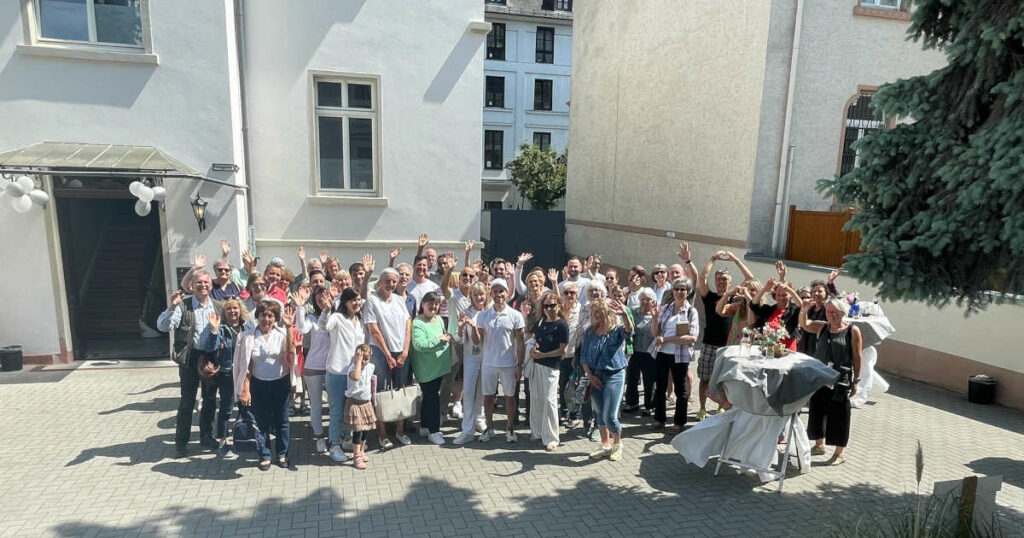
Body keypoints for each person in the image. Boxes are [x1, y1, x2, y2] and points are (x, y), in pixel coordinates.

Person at [157, 271, 221, 458]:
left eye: (206, 282)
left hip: (210, 357)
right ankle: (181, 443)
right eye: (199, 282)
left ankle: (206, 436)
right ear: (192, 285)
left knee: (210, 400)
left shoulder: (217, 306)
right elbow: (163, 326)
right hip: (190, 358)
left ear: (211, 285)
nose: (203, 285)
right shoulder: (183, 306)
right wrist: (170, 307)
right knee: (187, 401)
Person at [232, 300, 297, 470]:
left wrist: (290, 328)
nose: (266, 319)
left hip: (280, 382)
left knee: (282, 421)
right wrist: (244, 390)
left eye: (270, 316)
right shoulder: (246, 337)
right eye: (263, 315)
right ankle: (265, 454)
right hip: (258, 384)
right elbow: (243, 366)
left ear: (275, 318)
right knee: (261, 422)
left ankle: (282, 454)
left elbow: (291, 352)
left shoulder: (282, 333)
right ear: (257, 316)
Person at [799, 296, 862, 465]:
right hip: (821, 378)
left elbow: (857, 356)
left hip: (841, 379)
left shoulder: (852, 331)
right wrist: (804, 309)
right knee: (817, 412)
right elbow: (804, 324)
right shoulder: (822, 327)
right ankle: (819, 445)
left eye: (834, 312)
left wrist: (856, 380)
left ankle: (839, 453)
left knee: (839, 415)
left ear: (842, 312)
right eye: (828, 311)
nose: (830, 315)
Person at [695, 250, 756, 421]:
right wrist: (713, 258)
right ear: (715, 281)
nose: (721, 282)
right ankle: (702, 408)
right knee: (705, 378)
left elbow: (750, 279)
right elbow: (702, 277)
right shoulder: (709, 296)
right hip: (708, 343)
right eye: (719, 279)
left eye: (725, 279)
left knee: (723, 379)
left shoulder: (736, 297)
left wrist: (735, 260)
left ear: (730, 282)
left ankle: (721, 407)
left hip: (728, 346)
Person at [468, 278, 526, 443]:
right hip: (488, 364)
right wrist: (473, 328)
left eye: (502, 291)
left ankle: (510, 429)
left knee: (510, 397)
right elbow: (478, 341)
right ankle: (489, 428)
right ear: (491, 293)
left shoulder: (516, 315)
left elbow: (520, 343)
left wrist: (519, 365)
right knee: (488, 397)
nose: (499, 294)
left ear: (507, 293)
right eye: (495, 291)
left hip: (509, 364)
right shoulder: (483, 316)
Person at [362, 268, 413, 449]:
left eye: (394, 281)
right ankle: (382, 434)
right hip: (380, 351)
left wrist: (405, 351)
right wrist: (388, 355)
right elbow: (374, 331)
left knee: (400, 390)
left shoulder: (400, 300)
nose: (391, 285)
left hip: (400, 351)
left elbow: (408, 326)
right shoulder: (372, 301)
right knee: (381, 393)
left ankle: (400, 431)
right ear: (380, 282)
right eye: (388, 281)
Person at [580, 297, 633, 461]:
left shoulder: (615, 331)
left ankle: (617, 444)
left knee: (610, 415)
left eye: (599, 312)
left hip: (614, 375)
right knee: (600, 414)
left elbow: (629, 330)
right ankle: (605, 445)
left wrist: (624, 314)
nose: (596, 315)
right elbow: (584, 356)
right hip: (595, 375)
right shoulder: (590, 332)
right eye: (594, 312)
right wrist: (589, 375)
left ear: (606, 312)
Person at [317, 286, 366, 463]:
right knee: (337, 411)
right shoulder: (337, 318)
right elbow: (323, 326)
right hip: (337, 372)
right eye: (353, 300)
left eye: (359, 300)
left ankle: (346, 439)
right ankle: (334, 445)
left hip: (353, 373)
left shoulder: (360, 321)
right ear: (345, 302)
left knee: (349, 409)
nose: (357, 303)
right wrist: (326, 310)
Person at [201, 296, 252, 458]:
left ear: (240, 310)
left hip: (246, 373)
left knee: (247, 406)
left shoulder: (248, 327)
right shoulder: (221, 329)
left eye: (235, 308)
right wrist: (214, 331)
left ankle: (246, 438)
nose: (232, 311)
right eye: (229, 308)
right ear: (224, 312)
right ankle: (223, 443)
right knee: (226, 408)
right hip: (227, 373)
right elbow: (210, 349)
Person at [650, 277, 700, 433]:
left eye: (683, 289)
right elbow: (655, 333)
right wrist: (654, 319)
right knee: (660, 388)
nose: (679, 292)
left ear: (688, 292)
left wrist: (668, 339)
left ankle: (679, 423)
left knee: (680, 391)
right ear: (672, 291)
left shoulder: (691, 311)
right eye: (677, 289)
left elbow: (692, 337)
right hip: (663, 353)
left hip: (680, 356)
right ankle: (659, 419)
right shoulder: (664, 308)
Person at [411, 292, 453, 445]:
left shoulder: (439, 319)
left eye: (436, 303)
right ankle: (434, 431)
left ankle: (424, 426)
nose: (433, 306)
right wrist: (439, 340)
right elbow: (419, 345)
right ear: (422, 304)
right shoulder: (417, 323)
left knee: (429, 397)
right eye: (430, 303)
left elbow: (443, 338)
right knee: (433, 398)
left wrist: (445, 340)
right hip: (425, 369)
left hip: (439, 367)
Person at [529, 290, 568, 451]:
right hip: (536, 366)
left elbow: (562, 350)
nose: (549, 309)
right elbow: (535, 341)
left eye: (552, 305)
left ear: (558, 306)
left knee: (549, 401)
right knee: (536, 398)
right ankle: (537, 431)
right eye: (546, 306)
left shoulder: (562, 325)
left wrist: (544, 355)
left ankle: (552, 438)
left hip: (552, 368)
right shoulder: (541, 322)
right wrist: (533, 351)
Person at [453, 281, 491, 444]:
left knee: (483, 391)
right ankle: (467, 428)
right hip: (471, 356)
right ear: (471, 297)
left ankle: (479, 420)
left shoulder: (490, 311)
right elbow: (461, 338)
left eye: (481, 294)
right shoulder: (465, 312)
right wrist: (462, 327)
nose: (479, 297)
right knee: (468, 391)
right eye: (475, 295)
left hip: (488, 355)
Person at [623, 288, 658, 416]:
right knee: (632, 378)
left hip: (650, 353)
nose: (644, 302)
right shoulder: (634, 313)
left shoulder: (656, 314)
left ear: (653, 301)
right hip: (635, 351)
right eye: (642, 299)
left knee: (649, 380)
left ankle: (650, 405)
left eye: (648, 299)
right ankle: (632, 403)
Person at [345, 344, 377, 470]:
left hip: (366, 402)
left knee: (365, 430)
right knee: (357, 431)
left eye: (366, 358)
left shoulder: (371, 367)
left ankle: (362, 450)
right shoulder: (352, 369)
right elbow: (357, 376)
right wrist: (358, 362)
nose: (364, 361)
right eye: (361, 358)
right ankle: (356, 455)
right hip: (355, 403)